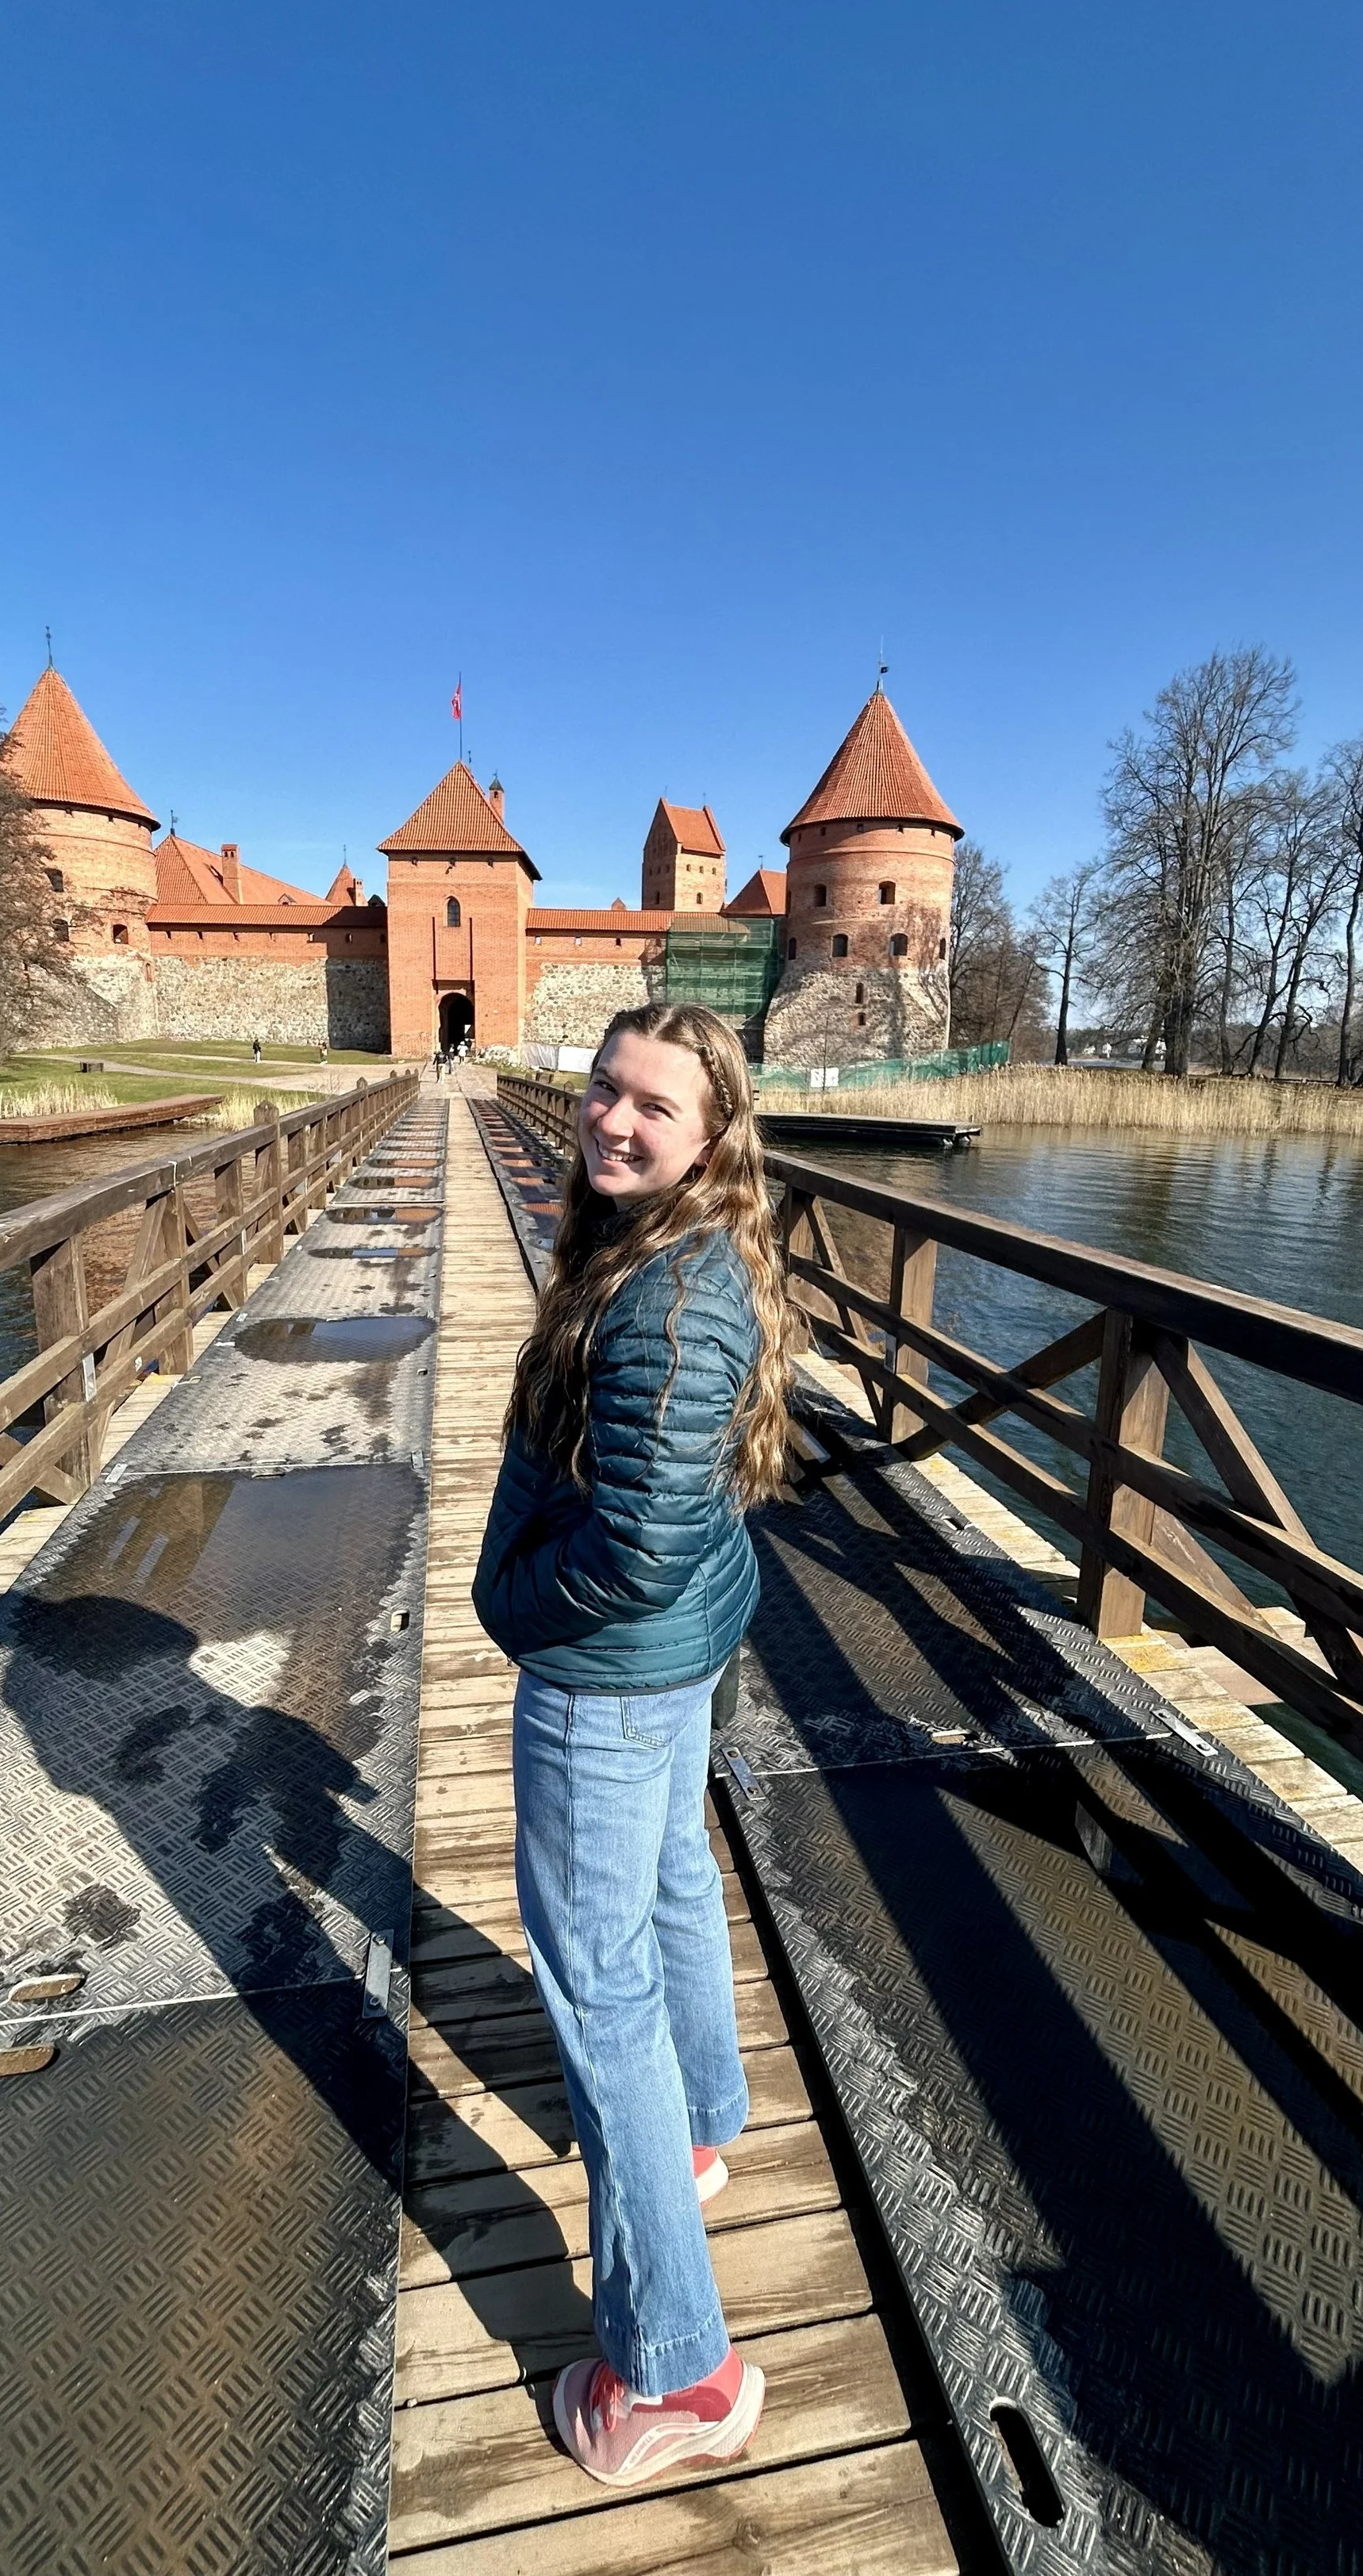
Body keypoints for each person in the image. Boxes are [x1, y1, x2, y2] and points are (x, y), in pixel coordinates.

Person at [472, 1003, 793, 2486]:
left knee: (595, 1987)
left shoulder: (666, 1298)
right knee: (670, 1888)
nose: (610, 1119)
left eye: (651, 1107)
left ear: (711, 1135)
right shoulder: (674, 1244)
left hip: (606, 1675)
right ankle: (706, 2130)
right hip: (664, 1666)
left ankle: (681, 2370)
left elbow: (637, 1551)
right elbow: (677, 1518)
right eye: (604, 1087)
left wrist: (517, 1606)